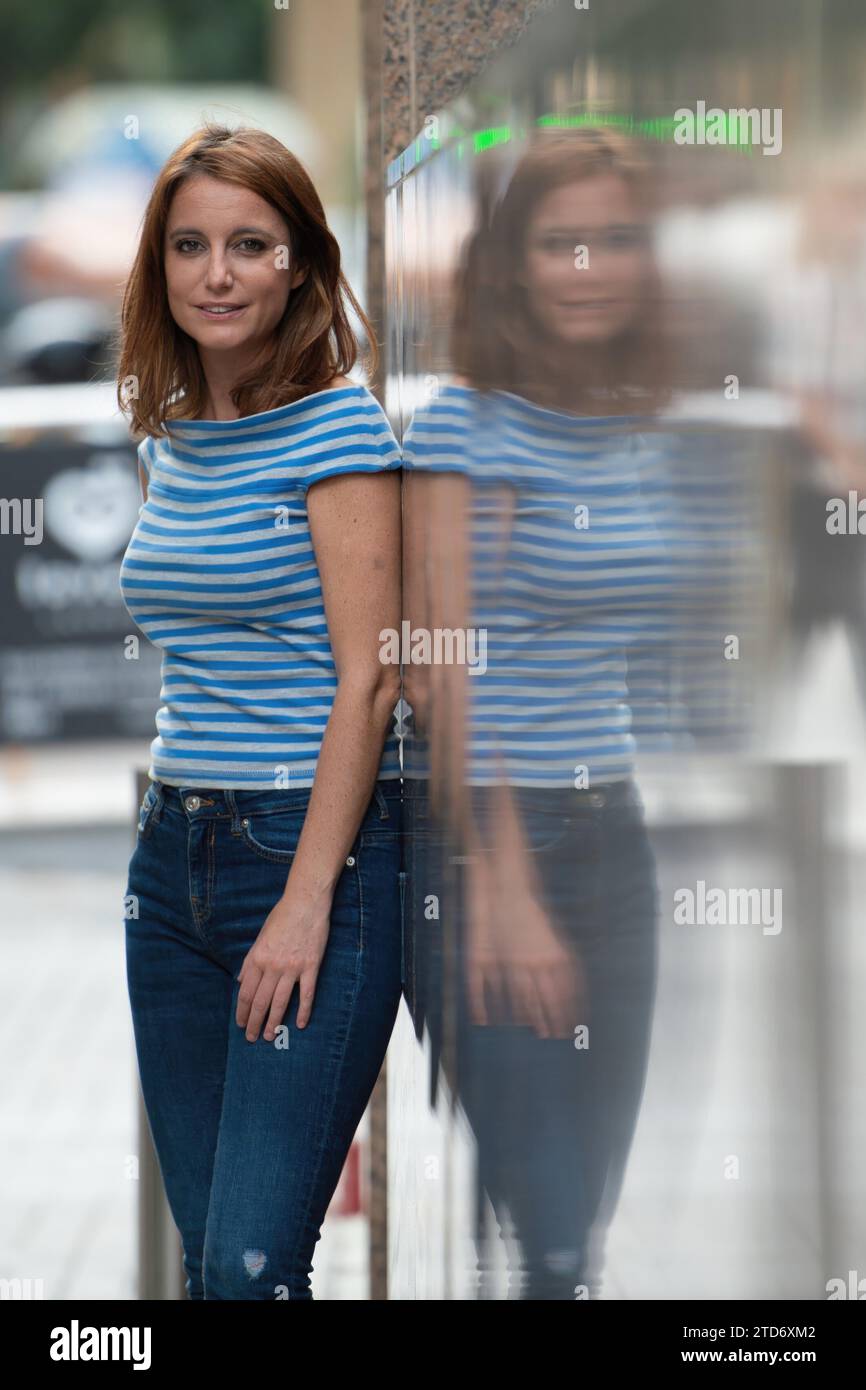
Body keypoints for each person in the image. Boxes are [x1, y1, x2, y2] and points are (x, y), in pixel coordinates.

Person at [116, 123, 403, 1300]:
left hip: (303, 853)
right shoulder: (175, 433)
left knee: (247, 1268)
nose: (216, 274)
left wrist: (303, 901)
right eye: (190, 246)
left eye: (249, 244)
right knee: (213, 1270)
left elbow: (371, 677)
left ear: (299, 264)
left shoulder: (337, 426)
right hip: (169, 856)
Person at [401, 126, 673, 1298]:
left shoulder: (636, 425)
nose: (588, 268)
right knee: (552, 1232)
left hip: (614, 838)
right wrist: (501, 887)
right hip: (486, 852)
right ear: (510, 263)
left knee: (577, 1239)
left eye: (614, 239)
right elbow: (442, 669)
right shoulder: (468, 426)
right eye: (558, 242)